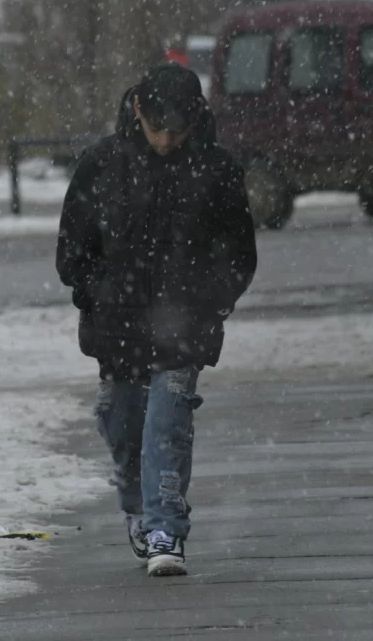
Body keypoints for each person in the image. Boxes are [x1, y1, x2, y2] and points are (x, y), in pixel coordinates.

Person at [56, 63, 257, 576]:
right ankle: (137, 505)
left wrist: (210, 303)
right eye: (158, 129)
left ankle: (165, 526)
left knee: (167, 425)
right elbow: (72, 249)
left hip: (185, 325)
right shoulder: (101, 166)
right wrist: (96, 293)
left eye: (178, 131)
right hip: (117, 324)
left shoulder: (216, 170)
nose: (167, 141)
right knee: (124, 428)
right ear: (138, 111)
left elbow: (238, 252)